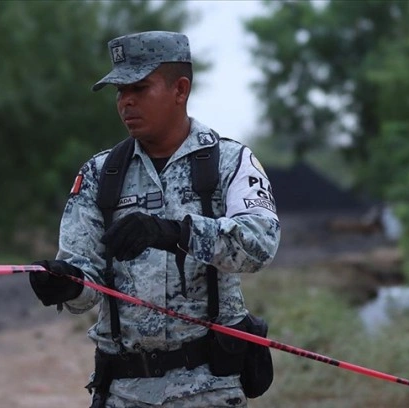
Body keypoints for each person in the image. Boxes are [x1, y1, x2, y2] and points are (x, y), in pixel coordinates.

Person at [29, 31, 280, 408]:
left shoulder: (229, 162)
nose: (126, 101)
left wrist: (176, 232)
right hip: (122, 392)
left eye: (140, 88)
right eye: (119, 91)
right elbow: (87, 282)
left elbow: (259, 245)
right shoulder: (101, 173)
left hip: (209, 390)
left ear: (180, 90)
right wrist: (66, 284)